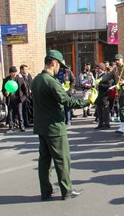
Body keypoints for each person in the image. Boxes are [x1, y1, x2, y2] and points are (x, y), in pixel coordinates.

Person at [32, 50, 97, 201]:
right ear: (53, 63)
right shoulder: (50, 81)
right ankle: (66, 190)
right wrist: (89, 101)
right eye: (59, 66)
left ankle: (46, 191)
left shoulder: (37, 79)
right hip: (55, 127)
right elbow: (67, 101)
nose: (59, 69)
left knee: (44, 161)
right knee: (62, 160)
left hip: (42, 127)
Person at [110, 54, 124, 134]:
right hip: (120, 91)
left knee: (122, 108)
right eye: (116, 60)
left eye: (118, 60)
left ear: (122, 60)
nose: (117, 61)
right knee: (123, 109)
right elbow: (109, 75)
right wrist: (100, 79)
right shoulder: (115, 69)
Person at [2, 66, 25, 132]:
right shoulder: (6, 80)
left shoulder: (20, 79)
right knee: (10, 113)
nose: (14, 74)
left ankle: (22, 126)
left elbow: (24, 90)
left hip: (18, 99)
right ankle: (11, 127)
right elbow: (3, 90)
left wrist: (22, 99)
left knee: (19, 113)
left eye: (15, 72)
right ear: (10, 73)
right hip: (10, 99)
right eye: (13, 72)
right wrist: (5, 93)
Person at [94, 63, 113, 130]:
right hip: (99, 95)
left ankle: (106, 124)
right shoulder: (98, 75)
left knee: (105, 110)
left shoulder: (105, 76)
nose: (96, 70)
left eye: (97, 68)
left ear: (101, 69)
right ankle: (100, 123)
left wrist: (100, 84)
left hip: (105, 96)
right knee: (99, 110)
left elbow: (108, 86)